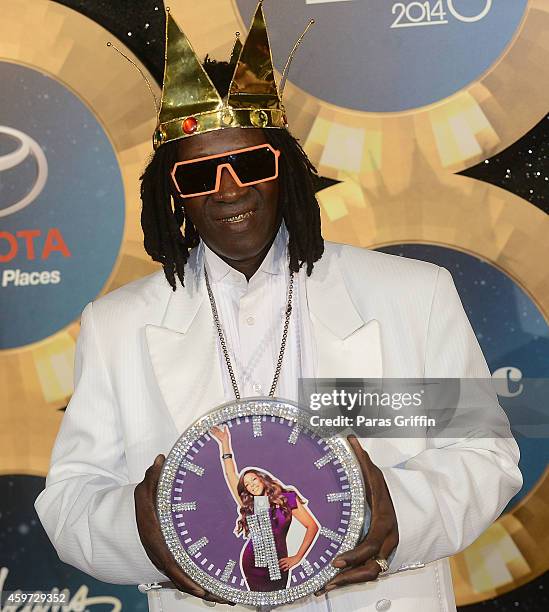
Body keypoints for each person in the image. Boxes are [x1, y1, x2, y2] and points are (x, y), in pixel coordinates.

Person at [35, 5, 522, 612]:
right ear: (172, 192)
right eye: (199, 175)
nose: (229, 189)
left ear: (283, 168)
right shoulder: (118, 325)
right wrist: (144, 532)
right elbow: (70, 499)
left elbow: (484, 455)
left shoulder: (410, 295)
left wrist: (397, 511)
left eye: (249, 164)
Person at [210, 425, 319, 592]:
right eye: (247, 485)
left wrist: (298, 557)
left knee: (279, 601)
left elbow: (312, 526)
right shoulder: (253, 504)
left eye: (253, 480)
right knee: (261, 605)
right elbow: (231, 474)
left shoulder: (287, 498)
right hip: (253, 564)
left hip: (278, 565)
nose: (251, 486)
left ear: (262, 479)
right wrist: (224, 443)